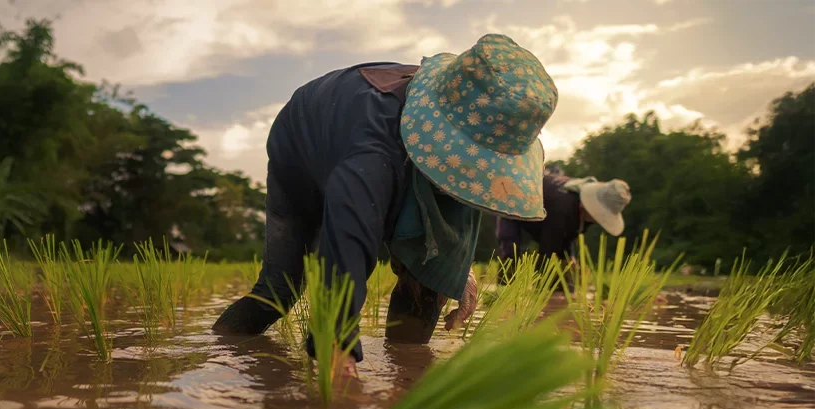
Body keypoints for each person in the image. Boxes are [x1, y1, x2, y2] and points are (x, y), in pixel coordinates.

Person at [212, 34, 559, 376]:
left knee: (428, 283)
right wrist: (336, 349)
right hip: (302, 151)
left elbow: (454, 223)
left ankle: (407, 376)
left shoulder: (476, 122)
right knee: (280, 288)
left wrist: (458, 270)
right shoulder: (371, 151)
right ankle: (220, 353)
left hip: (375, 147)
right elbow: (348, 245)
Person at [495, 173, 631, 267]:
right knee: (510, 255)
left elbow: (570, 234)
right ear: (586, 205)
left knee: (565, 267)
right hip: (512, 201)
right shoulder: (562, 205)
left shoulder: (582, 214)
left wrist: (570, 257)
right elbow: (548, 250)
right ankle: (503, 295)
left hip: (548, 218)